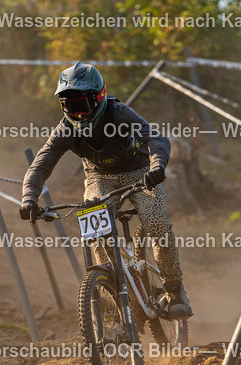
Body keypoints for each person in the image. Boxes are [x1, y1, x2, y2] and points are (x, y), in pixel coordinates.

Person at [20, 61, 192, 318]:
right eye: (70, 106)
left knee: (155, 221)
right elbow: (40, 166)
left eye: (82, 105)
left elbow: (155, 138)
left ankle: (174, 289)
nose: (77, 114)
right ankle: (114, 288)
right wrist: (29, 197)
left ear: (98, 98)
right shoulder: (65, 129)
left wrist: (157, 165)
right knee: (96, 228)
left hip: (139, 173)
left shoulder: (119, 113)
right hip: (99, 177)